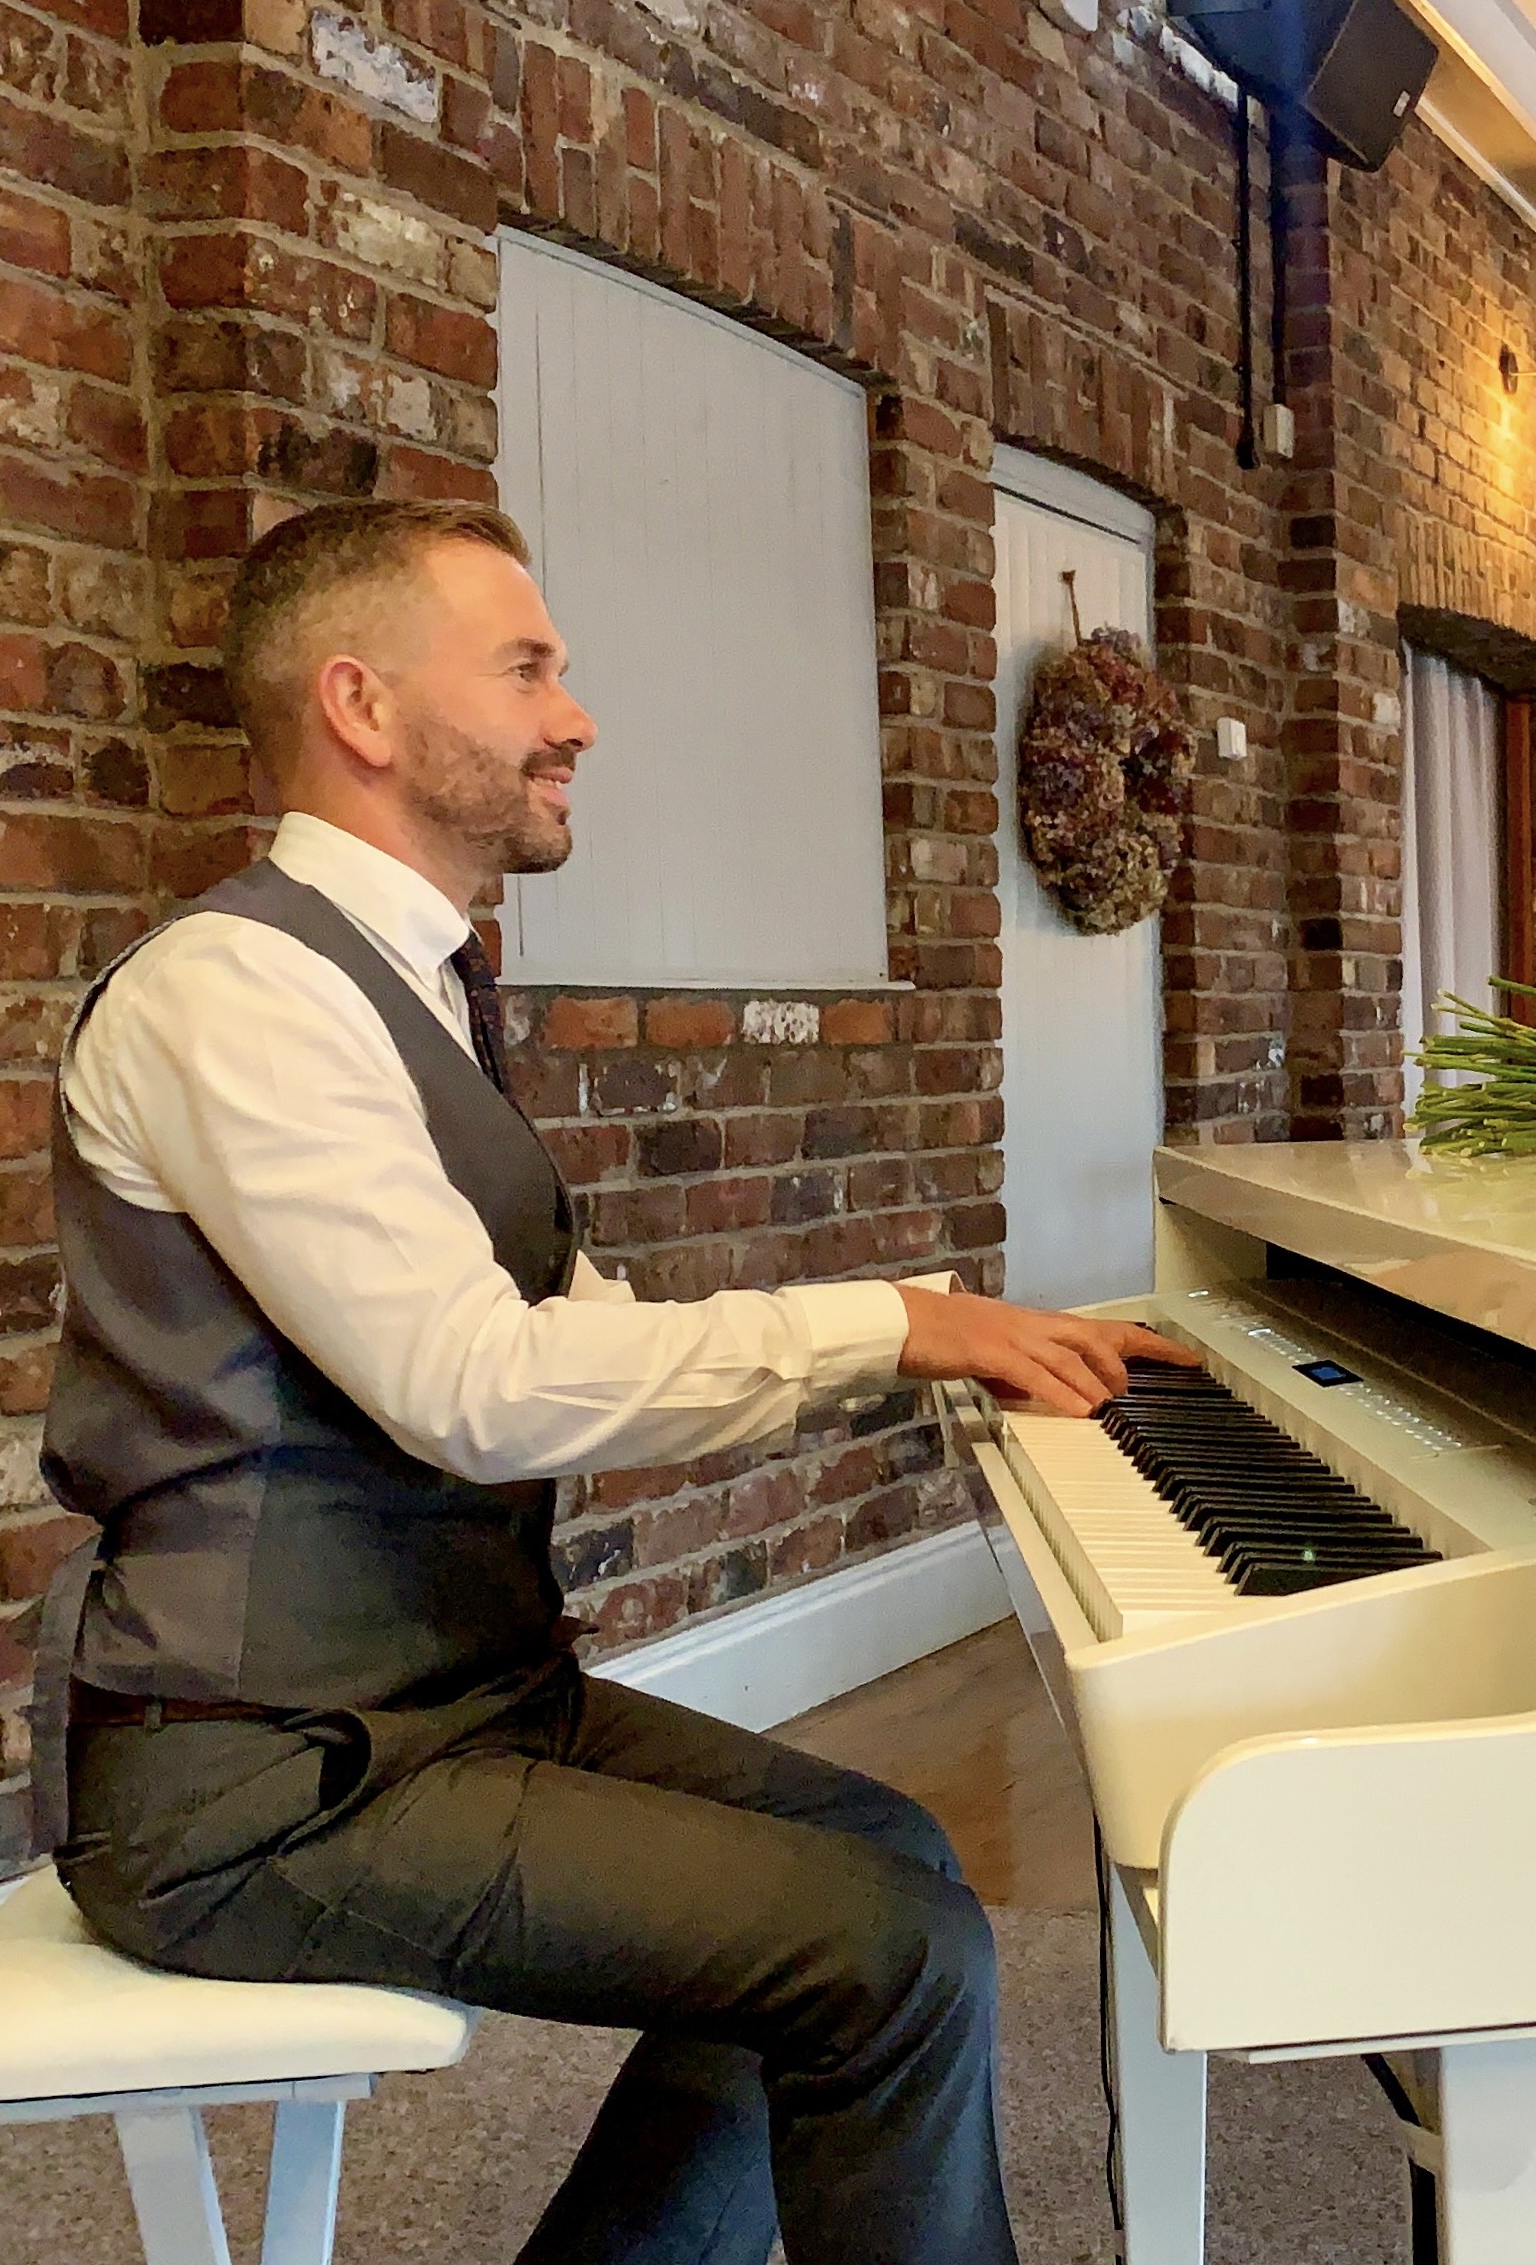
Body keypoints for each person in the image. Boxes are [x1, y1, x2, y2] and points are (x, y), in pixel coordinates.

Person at [32, 498, 1199, 2265]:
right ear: (360, 705)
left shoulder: (414, 990)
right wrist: (889, 1324)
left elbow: (584, 1327)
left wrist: (927, 1358)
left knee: (889, 1854)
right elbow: (476, 1386)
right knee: (885, 1956)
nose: (575, 715)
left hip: (462, 1707)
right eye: (526, 668)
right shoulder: (237, 993)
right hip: (262, 1783)